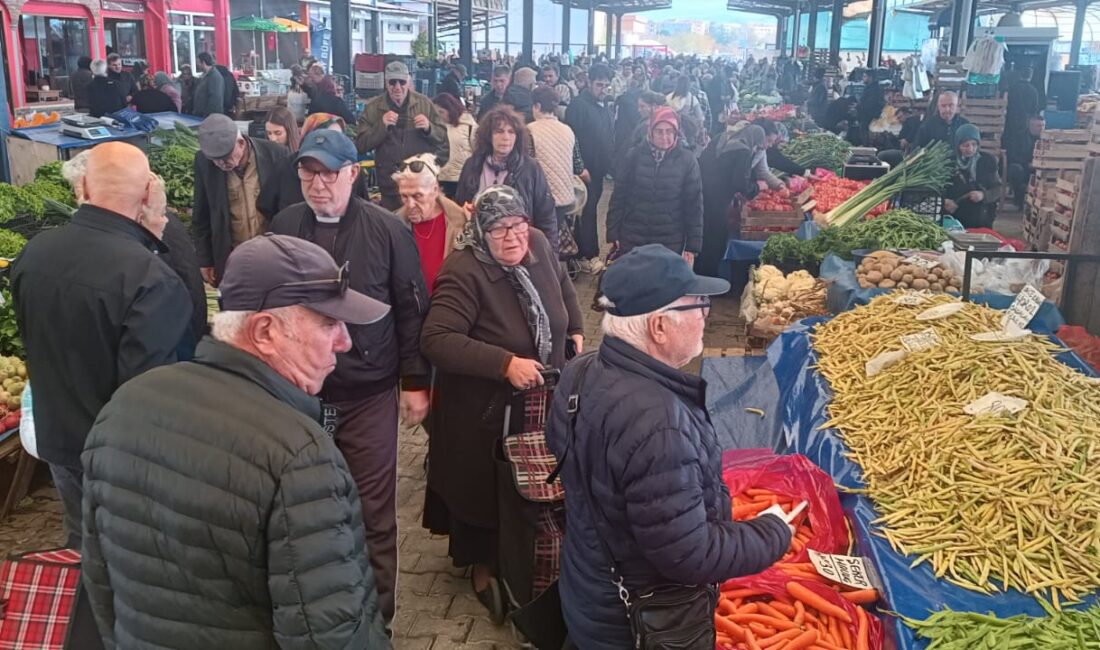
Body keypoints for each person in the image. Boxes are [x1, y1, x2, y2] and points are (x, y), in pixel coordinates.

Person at [81, 234, 393, 650]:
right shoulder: (298, 456)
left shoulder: (125, 405)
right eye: (329, 323)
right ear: (264, 331)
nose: (345, 341)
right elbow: (329, 634)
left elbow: (99, 581)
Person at [546, 244, 793, 650]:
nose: (705, 316)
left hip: (587, 585)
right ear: (659, 326)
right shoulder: (659, 423)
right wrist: (773, 533)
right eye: (698, 306)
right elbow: (688, 554)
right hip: (635, 619)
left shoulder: (581, 369)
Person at [269, 130, 432, 624]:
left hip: (369, 392)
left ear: (353, 174)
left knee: (372, 509)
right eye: (308, 173)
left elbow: (411, 308)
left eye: (329, 173)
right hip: (300, 395)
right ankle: (318, 609)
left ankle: (379, 618)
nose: (318, 185)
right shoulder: (285, 225)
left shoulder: (387, 230)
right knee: (305, 507)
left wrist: (415, 381)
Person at [11, 142, 192, 550]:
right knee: (133, 564)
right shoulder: (150, 277)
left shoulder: (35, 252)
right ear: (148, 194)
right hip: (121, 460)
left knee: (83, 551)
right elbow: (148, 395)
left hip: (57, 441)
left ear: (84, 189)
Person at [420, 185, 584, 622]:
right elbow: (436, 339)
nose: (512, 237)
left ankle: (536, 551)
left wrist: (575, 329)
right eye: (498, 230)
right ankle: (485, 565)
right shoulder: (464, 270)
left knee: (535, 479)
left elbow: (563, 286)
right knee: (485, 487)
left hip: (538, 396)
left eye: (517, 225)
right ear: (480, 231)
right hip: (483, 408)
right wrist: (504, 362)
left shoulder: (539, 244)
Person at [192, 114, 292, 286]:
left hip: (273, 254)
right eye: (215, 160)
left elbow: (289, 210)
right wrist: (205, 259)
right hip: (232, 256)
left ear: (241, 143)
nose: (221, 163)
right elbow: (201, 214)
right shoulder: (203, 162)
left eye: (226, 156)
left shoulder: (276, 155)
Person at [455, 105, 559, 252]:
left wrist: (550, 257)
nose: (506, 137)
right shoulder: (473, 165)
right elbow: (460, 207)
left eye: (511, 132)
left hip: (518, 248)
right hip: (479, 248)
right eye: (499, 131)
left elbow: (547, 217)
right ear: (488, 136)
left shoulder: (531, 168)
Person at [608, 107, 703, 262]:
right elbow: (619, 196)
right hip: (633, 235)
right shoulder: (634, 155)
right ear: (650, 132)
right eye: (659, 131)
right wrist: (613, 232)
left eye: (669, 131)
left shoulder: (687, 160)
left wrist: (692, 245)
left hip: (670, 240)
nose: (664, 136)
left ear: (676, 133)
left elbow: (694, 205)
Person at [356, 61, 450, 210]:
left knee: (421, 227)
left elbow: (443, 139)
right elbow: (361, 145)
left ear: (409, 81)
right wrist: (381, 125)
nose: (397, 87)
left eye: (402, 82)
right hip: (390, 186)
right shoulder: (373, 108)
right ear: (386, 83)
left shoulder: (424, 104)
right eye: (393, 82)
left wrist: (429, 128)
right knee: (392, 228)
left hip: (420, 184)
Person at [696, 125, 767, 276]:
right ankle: (710, 278)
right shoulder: (743, 151)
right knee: (716, 239)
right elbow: (740, 183)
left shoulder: (719, 138)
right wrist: (757, 187)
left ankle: (697, 274)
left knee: (702, 235)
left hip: (701, 192)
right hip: (720, 200)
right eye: (757, 145)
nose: (756, 149)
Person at [393, 154, 467, 293]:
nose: (410, 205)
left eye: (417, 196)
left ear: (434, 189)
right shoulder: (393, 225)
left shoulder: (462, 222)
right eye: (404, 196)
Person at [566, 63, 615, 274]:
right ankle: (589, 255)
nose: (603, 89)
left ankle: (579, 252)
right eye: (599, 85)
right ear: (589, 82)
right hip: (584, 171)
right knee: (586, 213)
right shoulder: (578, 106)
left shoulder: (603, 107)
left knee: (590, 210)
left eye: (606, 85)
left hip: (599, 171)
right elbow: (571, 139)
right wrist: (579, 167)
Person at [268, 113, 371, 212]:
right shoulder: (285, 167)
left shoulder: (348, 168)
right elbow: (268, 206)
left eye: (338, 136)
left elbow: (362, 204)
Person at [529, 86, 584, 247]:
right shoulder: (568, 130)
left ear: (537, 106)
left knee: (539, 246)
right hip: (565, 198)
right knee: (555, 243)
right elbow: (578, 166)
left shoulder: (530, 130)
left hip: (540, 199)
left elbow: (526, 166)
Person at [944, 123, 1002, 228]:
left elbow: (998, 189)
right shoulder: (949, 163)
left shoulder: (987, 161)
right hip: (955, 218)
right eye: (965, 145)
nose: (970, 149)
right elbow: (938, 189)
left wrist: (984, 195)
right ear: (958, 145)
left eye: (974, 144)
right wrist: (945, 201)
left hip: (981, 218)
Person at [433, 92, 479, 198]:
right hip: (439, 177)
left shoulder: (470, 126)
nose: (439, 116)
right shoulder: (434, 127)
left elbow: (478, 151)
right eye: (436, 113)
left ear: (450, 110)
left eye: (441, 112)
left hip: (462, 178)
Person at [1003, 67, 1040, 164]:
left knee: (1011, 149)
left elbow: (1006, 106)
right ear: (1030, 76)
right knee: (1024, 149)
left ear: (1020, 75)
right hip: (1025, 124)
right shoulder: (1034, 91)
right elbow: (1034, 110)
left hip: (1010, 123)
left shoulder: (1012, 89)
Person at [1007, 114, 1044, 208]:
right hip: (1022, 166)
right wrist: (1027, 164)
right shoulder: (1019, 137)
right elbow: (1012, 155)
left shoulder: (1046, 139)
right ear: (1031, 126)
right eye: (1038, 126)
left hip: (1040, 166)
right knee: (1015, 169)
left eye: (1043, 126)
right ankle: (1019, 200)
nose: (1041, 128)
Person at [856, 69, 884, 147]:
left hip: (869, 115)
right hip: (865, 114)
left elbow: (870, 104)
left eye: (865, 76)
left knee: (866, 134)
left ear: (870, 77)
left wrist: (859, 106)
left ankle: (867, 148)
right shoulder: (869, 88)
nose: (863, 78)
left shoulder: (874, 90)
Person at [192, 52, 225, 117]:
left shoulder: (215, 77)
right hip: (201, 116)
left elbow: (216, 99)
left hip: (210, 117)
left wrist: (208, 115)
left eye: (198, 62)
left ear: (203, 63)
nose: (197, 65)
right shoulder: (204, 75)